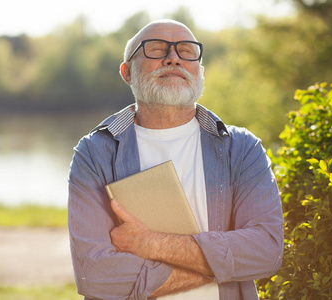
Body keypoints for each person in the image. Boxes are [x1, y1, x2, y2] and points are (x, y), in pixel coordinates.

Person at [68, 19, 283, 300]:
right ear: (127, 72)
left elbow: (265, 250)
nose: (173, 59)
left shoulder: (241, 148)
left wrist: (151, 244)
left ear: (200, 70)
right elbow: (94, 274)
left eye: (186, 50)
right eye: (156, 49)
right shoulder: (94, 152)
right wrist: (219, 267)